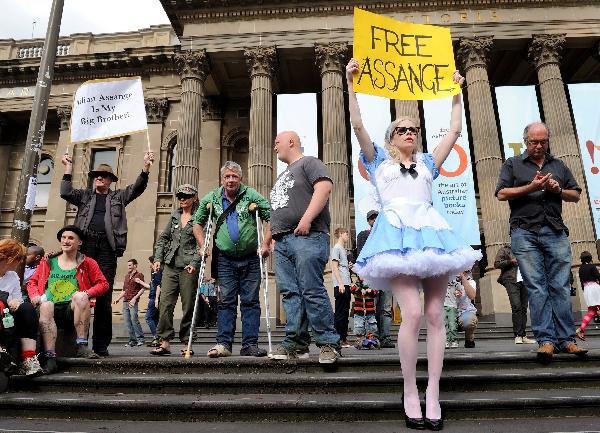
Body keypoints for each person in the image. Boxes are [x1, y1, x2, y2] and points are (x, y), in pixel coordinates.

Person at [347, 58, 481, 430]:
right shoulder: (377, 162)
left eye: (413, 129)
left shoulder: (425, 162)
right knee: (414, 312)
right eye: (402, 129)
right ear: (391, 137)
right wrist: (350, 82)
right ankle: (409, 390)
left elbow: (454, 131)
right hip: (395, 236)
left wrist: (456, 90)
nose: (409, 132)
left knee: (437, 315)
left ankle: (433, 392)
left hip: (431, 232)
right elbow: (356, 124)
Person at [496, 121, 587, 362]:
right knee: (537, 287)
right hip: (524, 231)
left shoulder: (558, 164)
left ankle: (567, 340)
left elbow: (576, 195)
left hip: (555, 230)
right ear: (525, 141)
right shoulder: (513, 164)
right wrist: (532, 187)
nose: (539, 145)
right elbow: (501, 193)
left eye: (543, 141)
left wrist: (558, 190)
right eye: (534, 141)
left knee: (560, 286)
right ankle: (545, 340)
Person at [60, 150, 154, 356]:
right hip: (85, 248)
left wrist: (145, 167)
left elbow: (137, 188)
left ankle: (100, 345)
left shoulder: (118, 197)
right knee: (77, 292)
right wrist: (68, 168)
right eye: (95, 176)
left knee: (103, 295)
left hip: (107, 249)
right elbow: (65, 192)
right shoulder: (85, 196)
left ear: (111, 180)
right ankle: (74, 342)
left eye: (102, 175)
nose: (98, 178)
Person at [267, 131, 341, 364]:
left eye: (277, 141)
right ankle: (297, 343)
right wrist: (266, 240)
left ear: (291, 142)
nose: (275, 146)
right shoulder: (282, 176)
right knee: (290, 293)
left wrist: (307, 218)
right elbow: (276, 210)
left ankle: (329, 343)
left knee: (311, 289)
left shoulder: (309, 163)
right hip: (283, 242)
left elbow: (324, 188)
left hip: (307, 236)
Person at [194, 161, 271, 358]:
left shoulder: (251, 195)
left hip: (250, 257)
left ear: (241, 179)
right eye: (227, 177)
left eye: (234, 177)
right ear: (222, 179)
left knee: (250, 301)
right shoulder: (212, 198)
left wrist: (266, 244)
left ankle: (250, 344)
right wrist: (203, 244)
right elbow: (197, 223)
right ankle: (223, 344)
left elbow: (270, 216)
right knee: (226, 301)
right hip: (226, 259)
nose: (230, 180)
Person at [27, 225, 109, 373]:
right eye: (63, 238)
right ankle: (50, 359)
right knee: (46, 305)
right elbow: (32, 282)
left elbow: (103, 284)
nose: (66, 241)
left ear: (80, 243)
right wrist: (34, 296)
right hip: (48, 308)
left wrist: (87, 293)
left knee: (81, 296)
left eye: (70, 238)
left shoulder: (88, 262)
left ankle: (82, 346)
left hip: (72, 308)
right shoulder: (48, 262)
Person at [151, 184, 200, 356]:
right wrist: (158, 259)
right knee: (165, 304)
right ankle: (164, 341)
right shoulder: (174, 216)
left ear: (194, 198)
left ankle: (187, 341)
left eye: (186, 196)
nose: (182, 199)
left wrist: (194, 262)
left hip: (188, 268)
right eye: (180, 196)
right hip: (170, 266)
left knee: (188, 305)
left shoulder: (199, 217)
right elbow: (163, 239)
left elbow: (202, 245)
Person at [0, 239, 43, 376]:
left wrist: (16, 302)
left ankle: (28, 359)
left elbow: (17, 297)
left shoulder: (12, 276)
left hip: (7, 314)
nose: (20, 262)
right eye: (19, 259)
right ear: (10, 258)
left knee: (27, 308)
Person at [357, 210, 395, 349]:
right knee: (371, 307)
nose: (374, 221)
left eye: (377, 218)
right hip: (371, 276)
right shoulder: (363, 235)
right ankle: (373, 336)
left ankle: (385, 337)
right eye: (372, 219)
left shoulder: (388, 235)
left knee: (385, 308)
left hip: (386, 276)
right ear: (368, 221)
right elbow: (361, 254)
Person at [494, 244, 536, 344]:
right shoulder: (505, 250)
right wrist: (510, 261)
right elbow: (496, 264)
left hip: (525, 280)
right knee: (516, 306)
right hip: (511, 280)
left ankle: (523, 335)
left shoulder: (525, 248)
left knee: (524, 308)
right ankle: (518, 335)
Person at [113, 259, 145, 347]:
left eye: (130, 265)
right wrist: (118, 299)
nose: (128, 267)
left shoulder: (139, 275)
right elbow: (124, 290)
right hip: (125, 301)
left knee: (134, 320)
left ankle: (140, 339)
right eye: (128, 265)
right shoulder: (127, 276)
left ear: (135, 265)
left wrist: (135, 298)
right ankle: (133, 340)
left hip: (132, 301)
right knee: (127, 321)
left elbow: (142, 288)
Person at [133, 256, 162, 347]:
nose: (148, 264)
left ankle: (156, 337)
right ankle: (158, 339)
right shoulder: (154, 273)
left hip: (154, 298)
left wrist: (157, 299)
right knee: (155, 319)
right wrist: (140, 282)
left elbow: (158, 286)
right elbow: (151, 286)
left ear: (153, 263)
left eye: (149, 262)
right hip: (154, 298)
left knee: (148, 318)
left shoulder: (157, 272)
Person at [331, 228, 352, 348]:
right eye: (346, 233)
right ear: (340, 234)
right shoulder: (337, 248)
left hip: (346, 283)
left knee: (345, 312)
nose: (347, 236)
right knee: (340, 312)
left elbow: (342, 266)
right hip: (341, 285)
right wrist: (340, 283)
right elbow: (334, 267)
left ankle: (344, 338)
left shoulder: (343, 249)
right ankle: (338, 339)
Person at [575, 251, 600, 340]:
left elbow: (582, 282)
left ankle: (581, 329)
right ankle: (580, 329)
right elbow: (598, 276)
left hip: (587, 290)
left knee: (591, 312)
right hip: (594, 288)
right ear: (590, 258)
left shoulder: (580, 268)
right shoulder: (592, 266)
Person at [452, 271, 478, 348]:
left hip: (465, 312)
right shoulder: (449, 281)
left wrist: (463, 278)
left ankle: (469, 338)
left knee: (470, 321)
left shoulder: (471, 282)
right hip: (450, 311)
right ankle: (449, 339)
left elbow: (472, 296)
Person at [350, 278, 379, 350]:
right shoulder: (357, 283)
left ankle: (371, 338)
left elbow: (376, 291)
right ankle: (359, 339)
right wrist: (360, 289)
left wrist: (370, 290)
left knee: (371, 325)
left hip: (370, 311)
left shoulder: (372, 283)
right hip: (359, 311)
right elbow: (352, 289)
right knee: (359, 326)